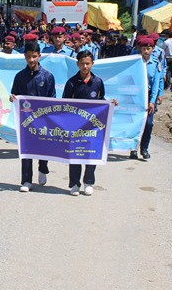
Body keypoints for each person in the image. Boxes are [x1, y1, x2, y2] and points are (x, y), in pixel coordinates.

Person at [62, 49, 114, 196]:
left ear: (92, 64)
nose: (85, 67)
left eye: (88, 63)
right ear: (77, 64)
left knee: (91, 154)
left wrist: (110, 103)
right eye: (82, 64)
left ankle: (88, 182)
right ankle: (74, 184)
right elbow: (64, 104)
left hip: (93, 127)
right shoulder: (71, 83)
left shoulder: (97, 82)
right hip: (75, 126)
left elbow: (101, 101)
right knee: (75, 154)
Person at [10, 40, 55, 192]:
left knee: (43, 147)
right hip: (26, 120)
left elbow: (52, 99)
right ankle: (26, 180)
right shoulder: (20, 77)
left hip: (43, 120)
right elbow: (15, 94)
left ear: (39, 56)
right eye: (29, 57)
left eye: (34, 57)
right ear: (24, 56)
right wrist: (13, 98)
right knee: (26, 149)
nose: (31, 60)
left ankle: (43, 168)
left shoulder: (47, 76)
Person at [132, 36, 164, 161]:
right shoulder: (135, 62)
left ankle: (144, 148)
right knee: (136, 122)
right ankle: (133, 148)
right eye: (144, 49)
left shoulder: (156, 63)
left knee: (149, 124)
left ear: (153, 49)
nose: (146, 51)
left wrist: (152, 101)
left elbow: (156, 83)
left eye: (148, 49)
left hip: (150, 95)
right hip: (137, 95)